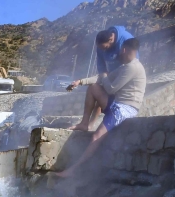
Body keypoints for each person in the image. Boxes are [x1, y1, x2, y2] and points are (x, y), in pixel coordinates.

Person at [54, 38, 145, 179]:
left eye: (121, 50)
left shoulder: (132, 68)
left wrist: (104, 77)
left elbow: (111, 88)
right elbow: (100, 78)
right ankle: (85, 124)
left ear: (124, 50)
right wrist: (80, 82)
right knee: (93, 88)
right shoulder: (127, 66)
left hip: (125, 109)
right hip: (118, 104)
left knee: (96, 137)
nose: (119, 52)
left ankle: (74, 170)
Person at [68, 25, 136, 132]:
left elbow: (134, 64)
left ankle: (98, 124)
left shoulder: (126, 39)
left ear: (111, 39)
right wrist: (80, 82)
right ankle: (86, 124)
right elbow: (101, 65)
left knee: (104, 92)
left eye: (104, 48)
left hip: (123, 81)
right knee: (95, 89)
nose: (102, 50)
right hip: (110, 76)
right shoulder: (102, 46)